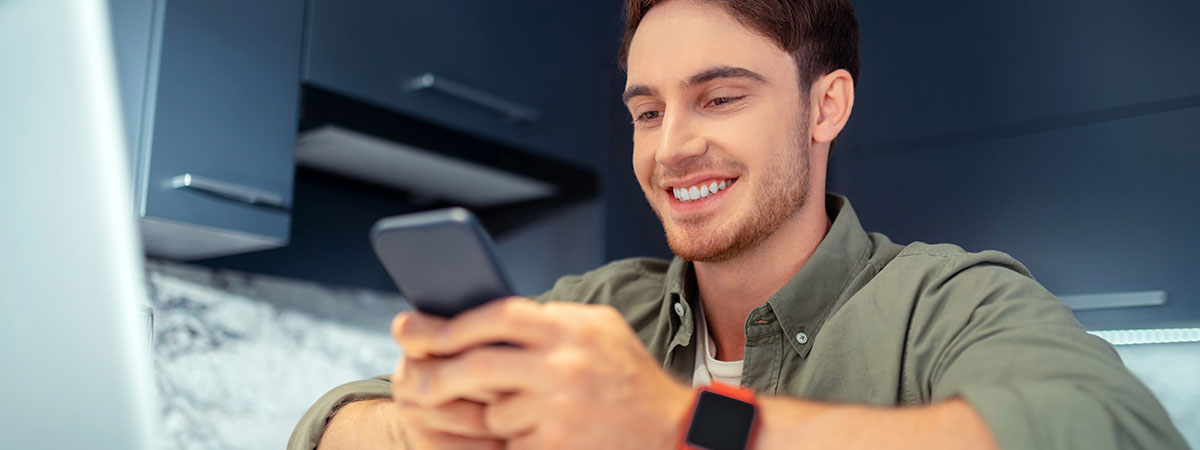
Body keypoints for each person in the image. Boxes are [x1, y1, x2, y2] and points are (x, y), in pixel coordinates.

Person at [289, 0, 1187, 448]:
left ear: (825, 104)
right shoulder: (597, 307)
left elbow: (1113, 430)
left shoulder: (948, 301)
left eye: (719, 97)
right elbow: (329, 421)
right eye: (646, 112)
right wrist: (427, 431)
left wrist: (683, 423)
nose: (672, 148)